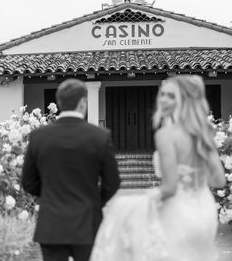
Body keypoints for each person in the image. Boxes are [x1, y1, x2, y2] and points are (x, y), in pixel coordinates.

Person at [90, 74, 225, 261]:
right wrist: (193, 177)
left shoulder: (166, 135)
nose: (163, 99)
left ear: (183, 100)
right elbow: (218, 180)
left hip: (179, 210)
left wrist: (143, 200)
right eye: (162, 94)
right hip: (204, 209)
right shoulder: (203, 131)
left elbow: (169, 188)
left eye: (171, 95)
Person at [21, 78, 120, 261]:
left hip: (52, 223)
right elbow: (112, 182)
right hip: (87, 222)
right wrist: (95, 201)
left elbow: (28, 182)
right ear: (83, 103)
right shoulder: (99, 136)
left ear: (59, 103)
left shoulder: (38, 137)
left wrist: (50, 195)